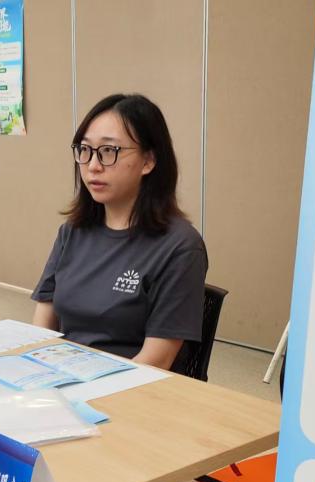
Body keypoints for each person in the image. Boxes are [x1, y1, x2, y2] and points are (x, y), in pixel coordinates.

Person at [32, 94, 207, 373]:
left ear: (148, 160)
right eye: (85, 150)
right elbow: (41, 329)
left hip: (131, 386)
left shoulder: (180, 246)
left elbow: (156, 362)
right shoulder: (72, 231)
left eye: (108, 151)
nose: (93, 165)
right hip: (61, 377)